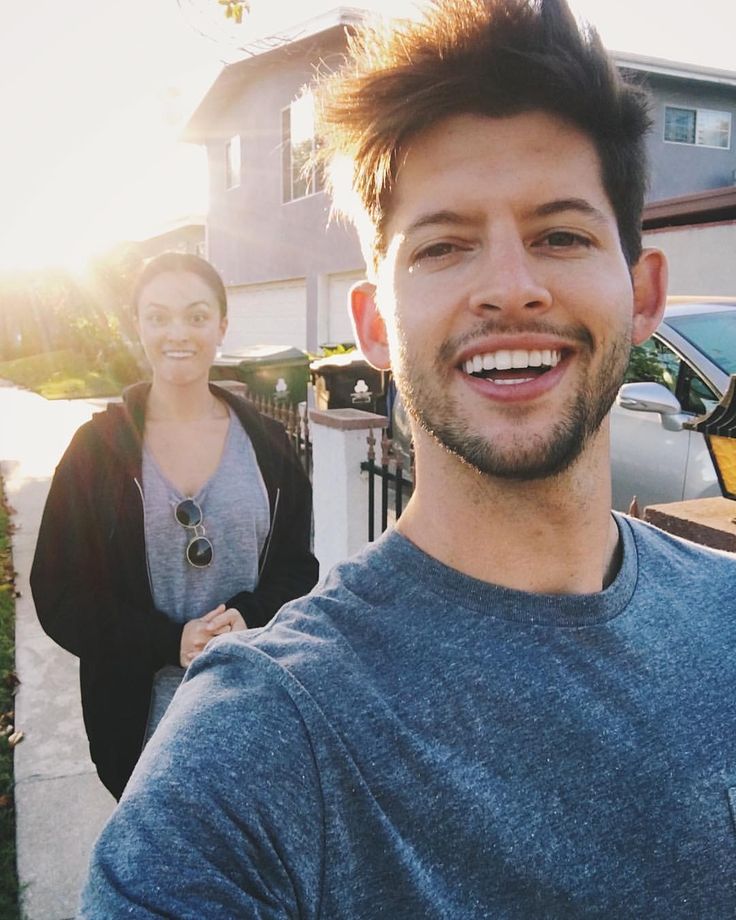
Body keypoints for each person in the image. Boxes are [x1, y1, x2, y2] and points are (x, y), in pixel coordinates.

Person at [82, 1, 736, 915]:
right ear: (375, 325)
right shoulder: (263, 745)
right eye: (444, 246)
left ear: (642, 293)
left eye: (562, 234)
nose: (512, 288)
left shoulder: (728, 621)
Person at [31, 251, 318, 800]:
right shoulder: (96, 452)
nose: (177, 333)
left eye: (195, 315)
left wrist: (251, 615)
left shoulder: (269, 447)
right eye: (157, 316)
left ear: (221, 326)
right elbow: (59, 592)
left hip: (251, 716)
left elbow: (297, 571)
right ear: (137, 325)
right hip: (139, 734)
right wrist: (168, 640)